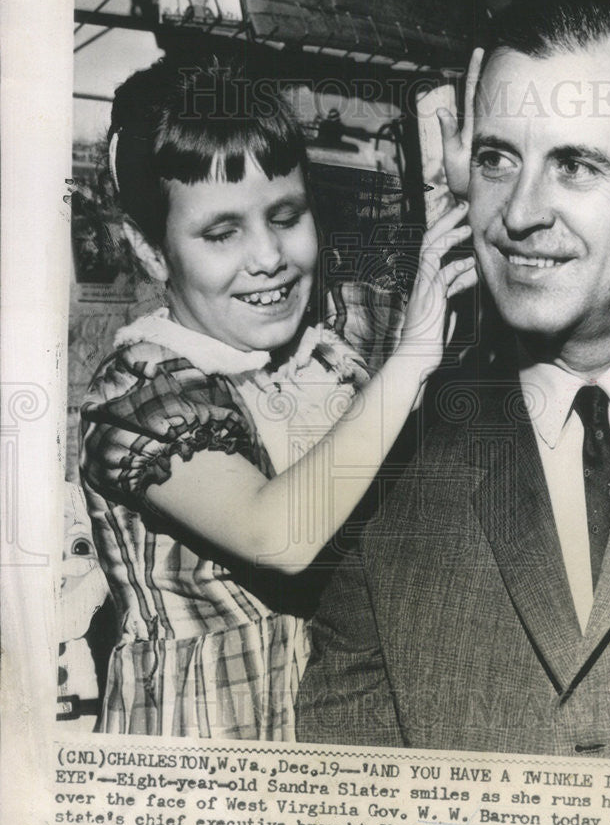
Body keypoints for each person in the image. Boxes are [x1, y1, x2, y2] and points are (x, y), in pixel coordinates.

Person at [296, 0, 610, 764]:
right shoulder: (383, 458)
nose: (519, 212)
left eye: (575, 165)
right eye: (497, 159)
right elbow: (347, 789)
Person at [79, 56, 477, 740]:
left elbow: (469, 334)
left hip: (338, 719)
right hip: (209, 749)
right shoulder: (140, 393)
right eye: (221, 232)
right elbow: (279, 535)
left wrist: (471, 194)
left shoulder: (332, 339)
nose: (268, 257)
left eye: (286, 216)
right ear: (149, 251)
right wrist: (411, 358)